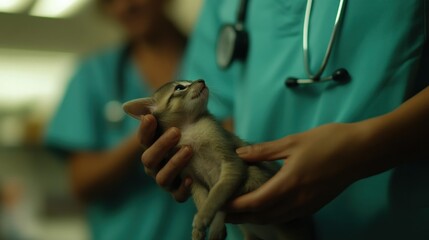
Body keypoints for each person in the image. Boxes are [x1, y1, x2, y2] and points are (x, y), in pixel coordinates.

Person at [137, 0, 429, 239]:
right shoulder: (223, 6)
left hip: (401, 219)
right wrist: (190, 164)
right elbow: (218, 114)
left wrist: (369, 148)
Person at [44, 0, 196, 239]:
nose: (123, 7)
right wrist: (151, 132)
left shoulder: (215, 61)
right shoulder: (93, 75)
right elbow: (81, 184)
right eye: (109, 1)